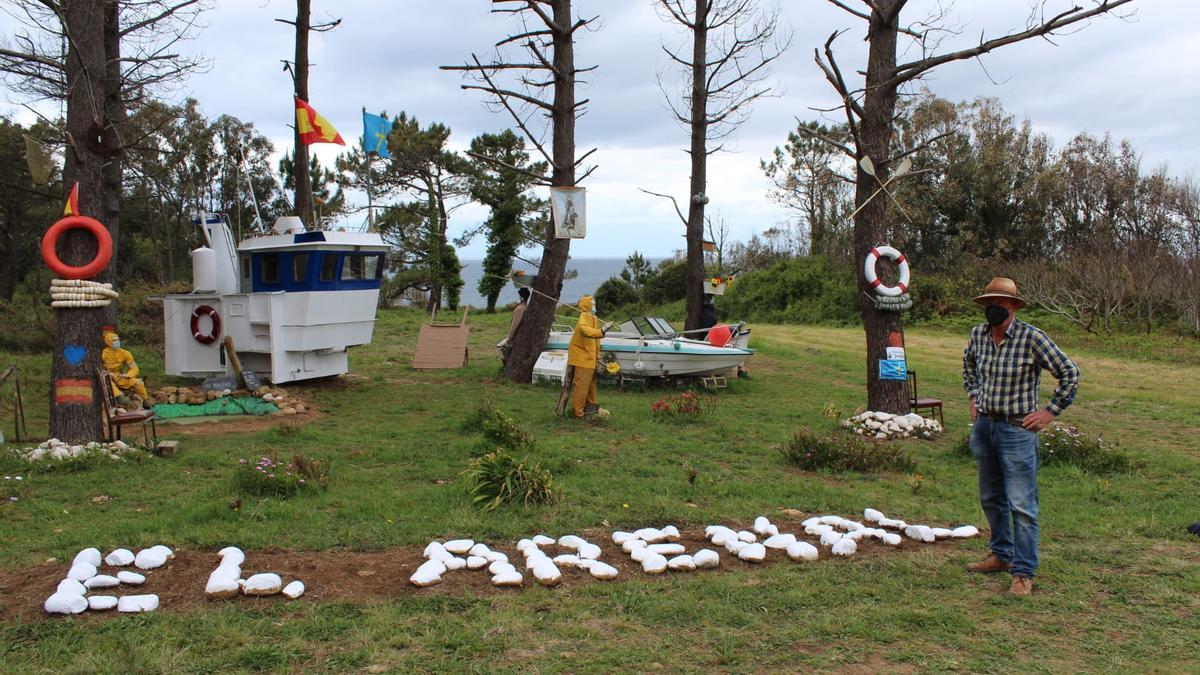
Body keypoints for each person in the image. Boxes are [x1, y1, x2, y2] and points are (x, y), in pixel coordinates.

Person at [962, 277, 1079, 597]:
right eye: (988, 303)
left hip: (1017, 431)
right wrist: (973, 396)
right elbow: (968, 366)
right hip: (985, 427)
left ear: (1013, 306)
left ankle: (1024, 572)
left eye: (999, 303)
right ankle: (1001, 554)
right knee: (990, 498)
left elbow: (1070, 372)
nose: (993, 309)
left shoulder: (1032, 338)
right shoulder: (978, 335)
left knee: (1022, 505)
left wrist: (1050, 412)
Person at [567, 295, 608, 419]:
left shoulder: (594, 317)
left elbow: (596, 342)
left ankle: (591, 410)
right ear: (588, 305)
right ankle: (578, 414)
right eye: (593, 303)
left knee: (591, 386)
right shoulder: (585, 316)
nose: (595, 305)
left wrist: (597, 357)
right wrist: (601, 332)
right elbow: (584, 330)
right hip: (582, 357)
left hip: (590, 357)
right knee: (582, 387)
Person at [102, 331, 149, 407]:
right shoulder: (103, 353)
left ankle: (145, 400)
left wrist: (128, 375)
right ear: (108, 342)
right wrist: (107, 373)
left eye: (118, 340)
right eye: (114, 340)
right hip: (107, 375)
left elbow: (134, 368)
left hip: (119, 376)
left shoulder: (125, 353)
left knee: (138, 381)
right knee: (109, 383)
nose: (117, 342)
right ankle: (120, 397)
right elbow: (99, 367)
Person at [499, 287, 530, 364]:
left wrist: (509, 337)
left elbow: (515, 324)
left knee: (501, 348)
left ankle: (506, 366)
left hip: (518, 335)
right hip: (525, 335)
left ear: (520, 296)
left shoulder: (519, 309)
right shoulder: (527, 307)